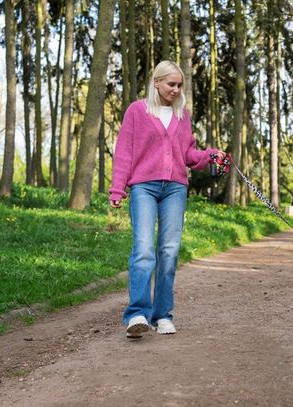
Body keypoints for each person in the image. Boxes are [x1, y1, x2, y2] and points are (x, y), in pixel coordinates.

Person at [109, 60, 225, 339]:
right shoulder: (137, 111)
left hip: (175, 188)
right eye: (171, 84)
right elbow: (124, 151)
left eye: (179, 85)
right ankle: (137, 314)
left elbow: (188, 155)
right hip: (144, 188)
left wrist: (210, 155)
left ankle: (162, 315)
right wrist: (117, 188)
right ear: (156, 82)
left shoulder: (182, 115)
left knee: (169, 252)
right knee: (144, 249)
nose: (175, 89)